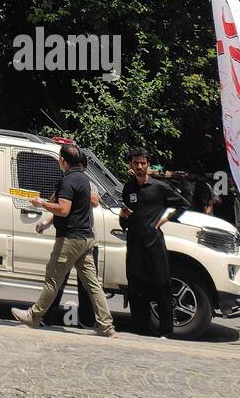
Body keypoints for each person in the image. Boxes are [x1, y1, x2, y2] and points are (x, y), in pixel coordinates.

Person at [11, 143, 116, 337]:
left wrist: (41, 203)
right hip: (86, 238)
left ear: (63, 160)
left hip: (70, 238)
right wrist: (47, 220)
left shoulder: (67, 181)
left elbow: (64, 210)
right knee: (92, 284)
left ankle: (34, 316)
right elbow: (74, 208)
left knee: (53, 278)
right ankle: (107, 326)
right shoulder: (84, 180)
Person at [120, 147, 187, 338]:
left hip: (154, 243)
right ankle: (139, 327)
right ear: (131, 164)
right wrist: (123, 216)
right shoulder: (128, 187)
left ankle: (166, 330)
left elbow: (183, 204)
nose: (140, 166)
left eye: (143, 163)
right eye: (136, 163)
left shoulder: (159, 187)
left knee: (162, 285)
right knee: (136, 286)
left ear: (148, 165)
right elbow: (125, 220)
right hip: (134, 244)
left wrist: (166, 219)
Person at [40, 148, 99, 328]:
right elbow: (61, 207)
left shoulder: (84, 182)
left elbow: (94, 202)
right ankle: (45, 316)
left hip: (79, 237)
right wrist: (48, 220)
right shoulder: (67, 182)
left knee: (86, 285)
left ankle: (89, 320)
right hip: (74, 236)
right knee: (58, 280)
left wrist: (78, 191)